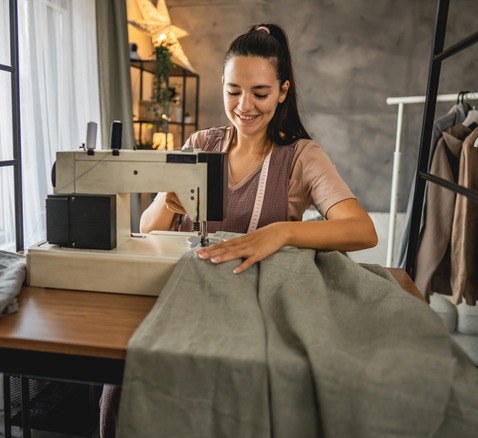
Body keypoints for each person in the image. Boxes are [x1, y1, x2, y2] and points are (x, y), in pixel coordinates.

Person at [100, 23, 377, 437]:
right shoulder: (199, 144)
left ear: (283, 91)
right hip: (189, 297)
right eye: (233, 91)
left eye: (260, 93)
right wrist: (168, 201)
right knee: (125, 379)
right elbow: (148, 227)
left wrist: (281, 232)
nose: (245, 106)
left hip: (255, 311)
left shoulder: (302, 157)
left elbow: (362, 230)